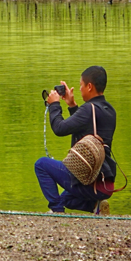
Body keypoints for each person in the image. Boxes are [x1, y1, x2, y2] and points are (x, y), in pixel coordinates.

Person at [34, 66, 116, 215]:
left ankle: (57, 211)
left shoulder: (88, 109)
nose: (79, 89)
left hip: (89, 182)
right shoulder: (109, 110)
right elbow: (86, 129)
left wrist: (54, 105)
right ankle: (96, 206)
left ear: (89, 87)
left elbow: (59, 128)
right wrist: (72, 106)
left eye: (81, 85)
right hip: (106, 183)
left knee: (41, 165)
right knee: (64, 198)